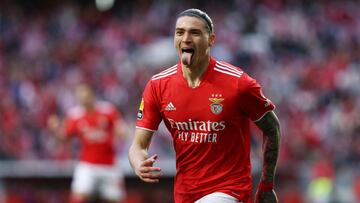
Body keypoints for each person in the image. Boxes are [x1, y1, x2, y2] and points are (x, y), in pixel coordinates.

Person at [128, 8, 281, 203]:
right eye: (180, 32)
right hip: (185, 193)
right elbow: (138, 146)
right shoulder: (158, 86)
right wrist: (139, 163)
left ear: (211, 40)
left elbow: (272, 127)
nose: (186, 38)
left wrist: (267, 185)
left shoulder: (238, 83)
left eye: (195, 32)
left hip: (229, 190)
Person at [48, 84, 127, 203]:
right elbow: (63, 137)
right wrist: (55, 130)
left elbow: (121, 129)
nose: (83, 99)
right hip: (88, 165)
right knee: (79, 196)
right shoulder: (75, 115)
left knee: (114, 199)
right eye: (80, 97)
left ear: (92, 95)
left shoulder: (108, 110)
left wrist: (122, 132)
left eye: (85, 96)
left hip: (109, 165)